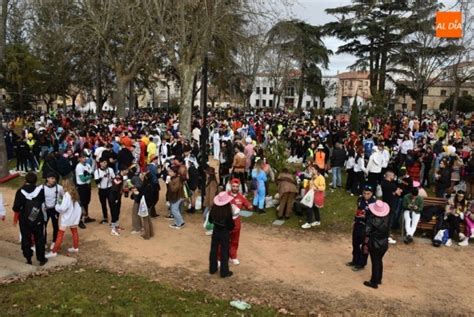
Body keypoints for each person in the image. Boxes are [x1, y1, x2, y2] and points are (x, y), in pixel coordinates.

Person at [12, 172, 48, 265]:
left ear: (26, 180)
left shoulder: (20, 191)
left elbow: (15, 207)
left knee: (26, 238)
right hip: (37, 217)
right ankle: (41, 259)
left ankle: (28, 258)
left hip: (24, 218)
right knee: (39, 238)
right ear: (36, 180)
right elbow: (43, 203)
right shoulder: (40, 191)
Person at [46, 179, 82, 258]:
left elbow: (63, 208)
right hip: (74, 216)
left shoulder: (67, 195)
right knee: (74, 231)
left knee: (60, 233)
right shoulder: (74, 194)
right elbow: (78, 207)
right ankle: (76, 247)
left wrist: (57, 206)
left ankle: (54, 251)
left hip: (67, 217)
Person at [347, 186, 375, 271]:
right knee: (355, 243)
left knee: (365, 246)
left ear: (372, 194)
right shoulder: (360, 199)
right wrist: (355, 220)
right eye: (364, 193)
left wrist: (366, 217)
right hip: (358, 224)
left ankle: (362, 263)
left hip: (367, 227)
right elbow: (358, 210)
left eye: (368, 194)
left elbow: (374, 217)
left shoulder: (374, 203)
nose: (366, 195)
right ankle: (355, 260)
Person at [363, 200, 390, 289]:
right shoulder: (387, 218)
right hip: (384, 243)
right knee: (379, 260)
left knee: (375, 262)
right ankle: (378, 279)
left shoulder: (372, 220)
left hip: (374, 243)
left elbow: (366, 231)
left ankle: (374, 282)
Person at [209, 191, 235, 278]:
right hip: (224, 232)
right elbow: (231, 225)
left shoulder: (214, 209)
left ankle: (212, 269)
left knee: (213, 250)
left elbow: (210, 220)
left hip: (216, 231)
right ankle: (224, 272)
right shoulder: (227, 212)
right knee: (224, 252)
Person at [227, 178, 252, 265]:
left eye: (237, 187)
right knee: (225, 240)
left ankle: (233, 256)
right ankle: (223, 257)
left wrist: (250, 206)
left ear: (239, 187)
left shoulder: (241, 197)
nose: (235, 188)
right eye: (233, 186)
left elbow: (248, 205)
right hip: (226, 221)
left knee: (235, 240)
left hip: (236, 221)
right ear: (231, 186)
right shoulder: (225, 195)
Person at [42, 172, 65, 250]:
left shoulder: (59, 188)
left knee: (55, 226)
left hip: (54, 210)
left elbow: (63, 197)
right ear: (47, 179)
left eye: (54, 178)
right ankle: (43, 242)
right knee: (43, 226)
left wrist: (59, 204)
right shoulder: (42, 187)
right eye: (52, 178)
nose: (53, 180)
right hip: (45, 210)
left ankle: (54, 241)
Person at [75, 151, 94, 228]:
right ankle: (79, 220)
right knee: (81, 203)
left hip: (87, 186)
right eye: (82, 157)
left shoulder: (88, 165)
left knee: (86, 202)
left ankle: (86, 217)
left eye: (85, 157)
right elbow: (82, 179)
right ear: (79, 158)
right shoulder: (79, 166)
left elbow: (91, 174)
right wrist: (90, 176)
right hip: (82, 187)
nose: (84, 159)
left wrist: (89, 176)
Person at [94, 157, 115, 224]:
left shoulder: (110, 170)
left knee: (111, 204)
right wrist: (103, 176)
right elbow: (96, 182)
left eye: (106, 162)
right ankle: (105, 218)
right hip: (101, 190)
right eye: (103, 162)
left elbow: (114, 178)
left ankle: (113, 219)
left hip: (109, 189)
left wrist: (112, 179)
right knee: (103, 204)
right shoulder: (97, 171)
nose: (105, 164)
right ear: (100, 163)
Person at [203, 166, 219, 236]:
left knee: (207, 216)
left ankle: (212, 229)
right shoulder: (210, 180)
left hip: (211, 202)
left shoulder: (212, 182)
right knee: (207, 216)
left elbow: (212, 194)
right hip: (210, 202)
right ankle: (211, 229)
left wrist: (211, 204)